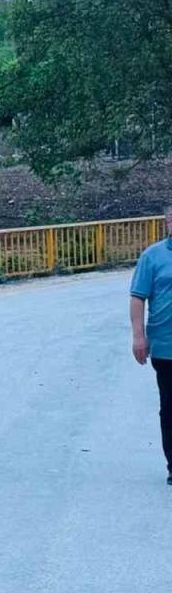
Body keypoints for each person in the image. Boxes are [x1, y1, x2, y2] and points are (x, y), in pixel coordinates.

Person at [129, 204, 172, 486]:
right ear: (167, 223)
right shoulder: (152, 256)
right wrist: (138, 336)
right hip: (166, 346)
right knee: (170, 407)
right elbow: (138, 297)